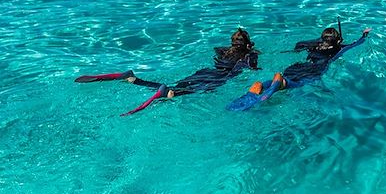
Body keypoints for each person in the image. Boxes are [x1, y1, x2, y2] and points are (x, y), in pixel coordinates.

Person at [75, 28, 260, 115]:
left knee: (178, 85)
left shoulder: (222, 50)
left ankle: (134, 79)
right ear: (247, 44)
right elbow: (248, 68)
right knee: (183, 92)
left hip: (205, 71)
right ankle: (165, 92)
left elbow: (217, 51)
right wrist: (253, 56)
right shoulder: (249, 54)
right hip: (219, 77)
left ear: (231, 42)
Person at [232, 23, 370, 109]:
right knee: (296, 84)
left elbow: (299, 44)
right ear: (338, 40)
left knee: (287, 77)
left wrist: (321, 40)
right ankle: (279, 83)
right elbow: (354, 45)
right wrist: (364, 36)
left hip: (298, 66)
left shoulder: (313, 46)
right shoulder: (339, 48)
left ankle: (263, 85)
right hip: (315, 70)